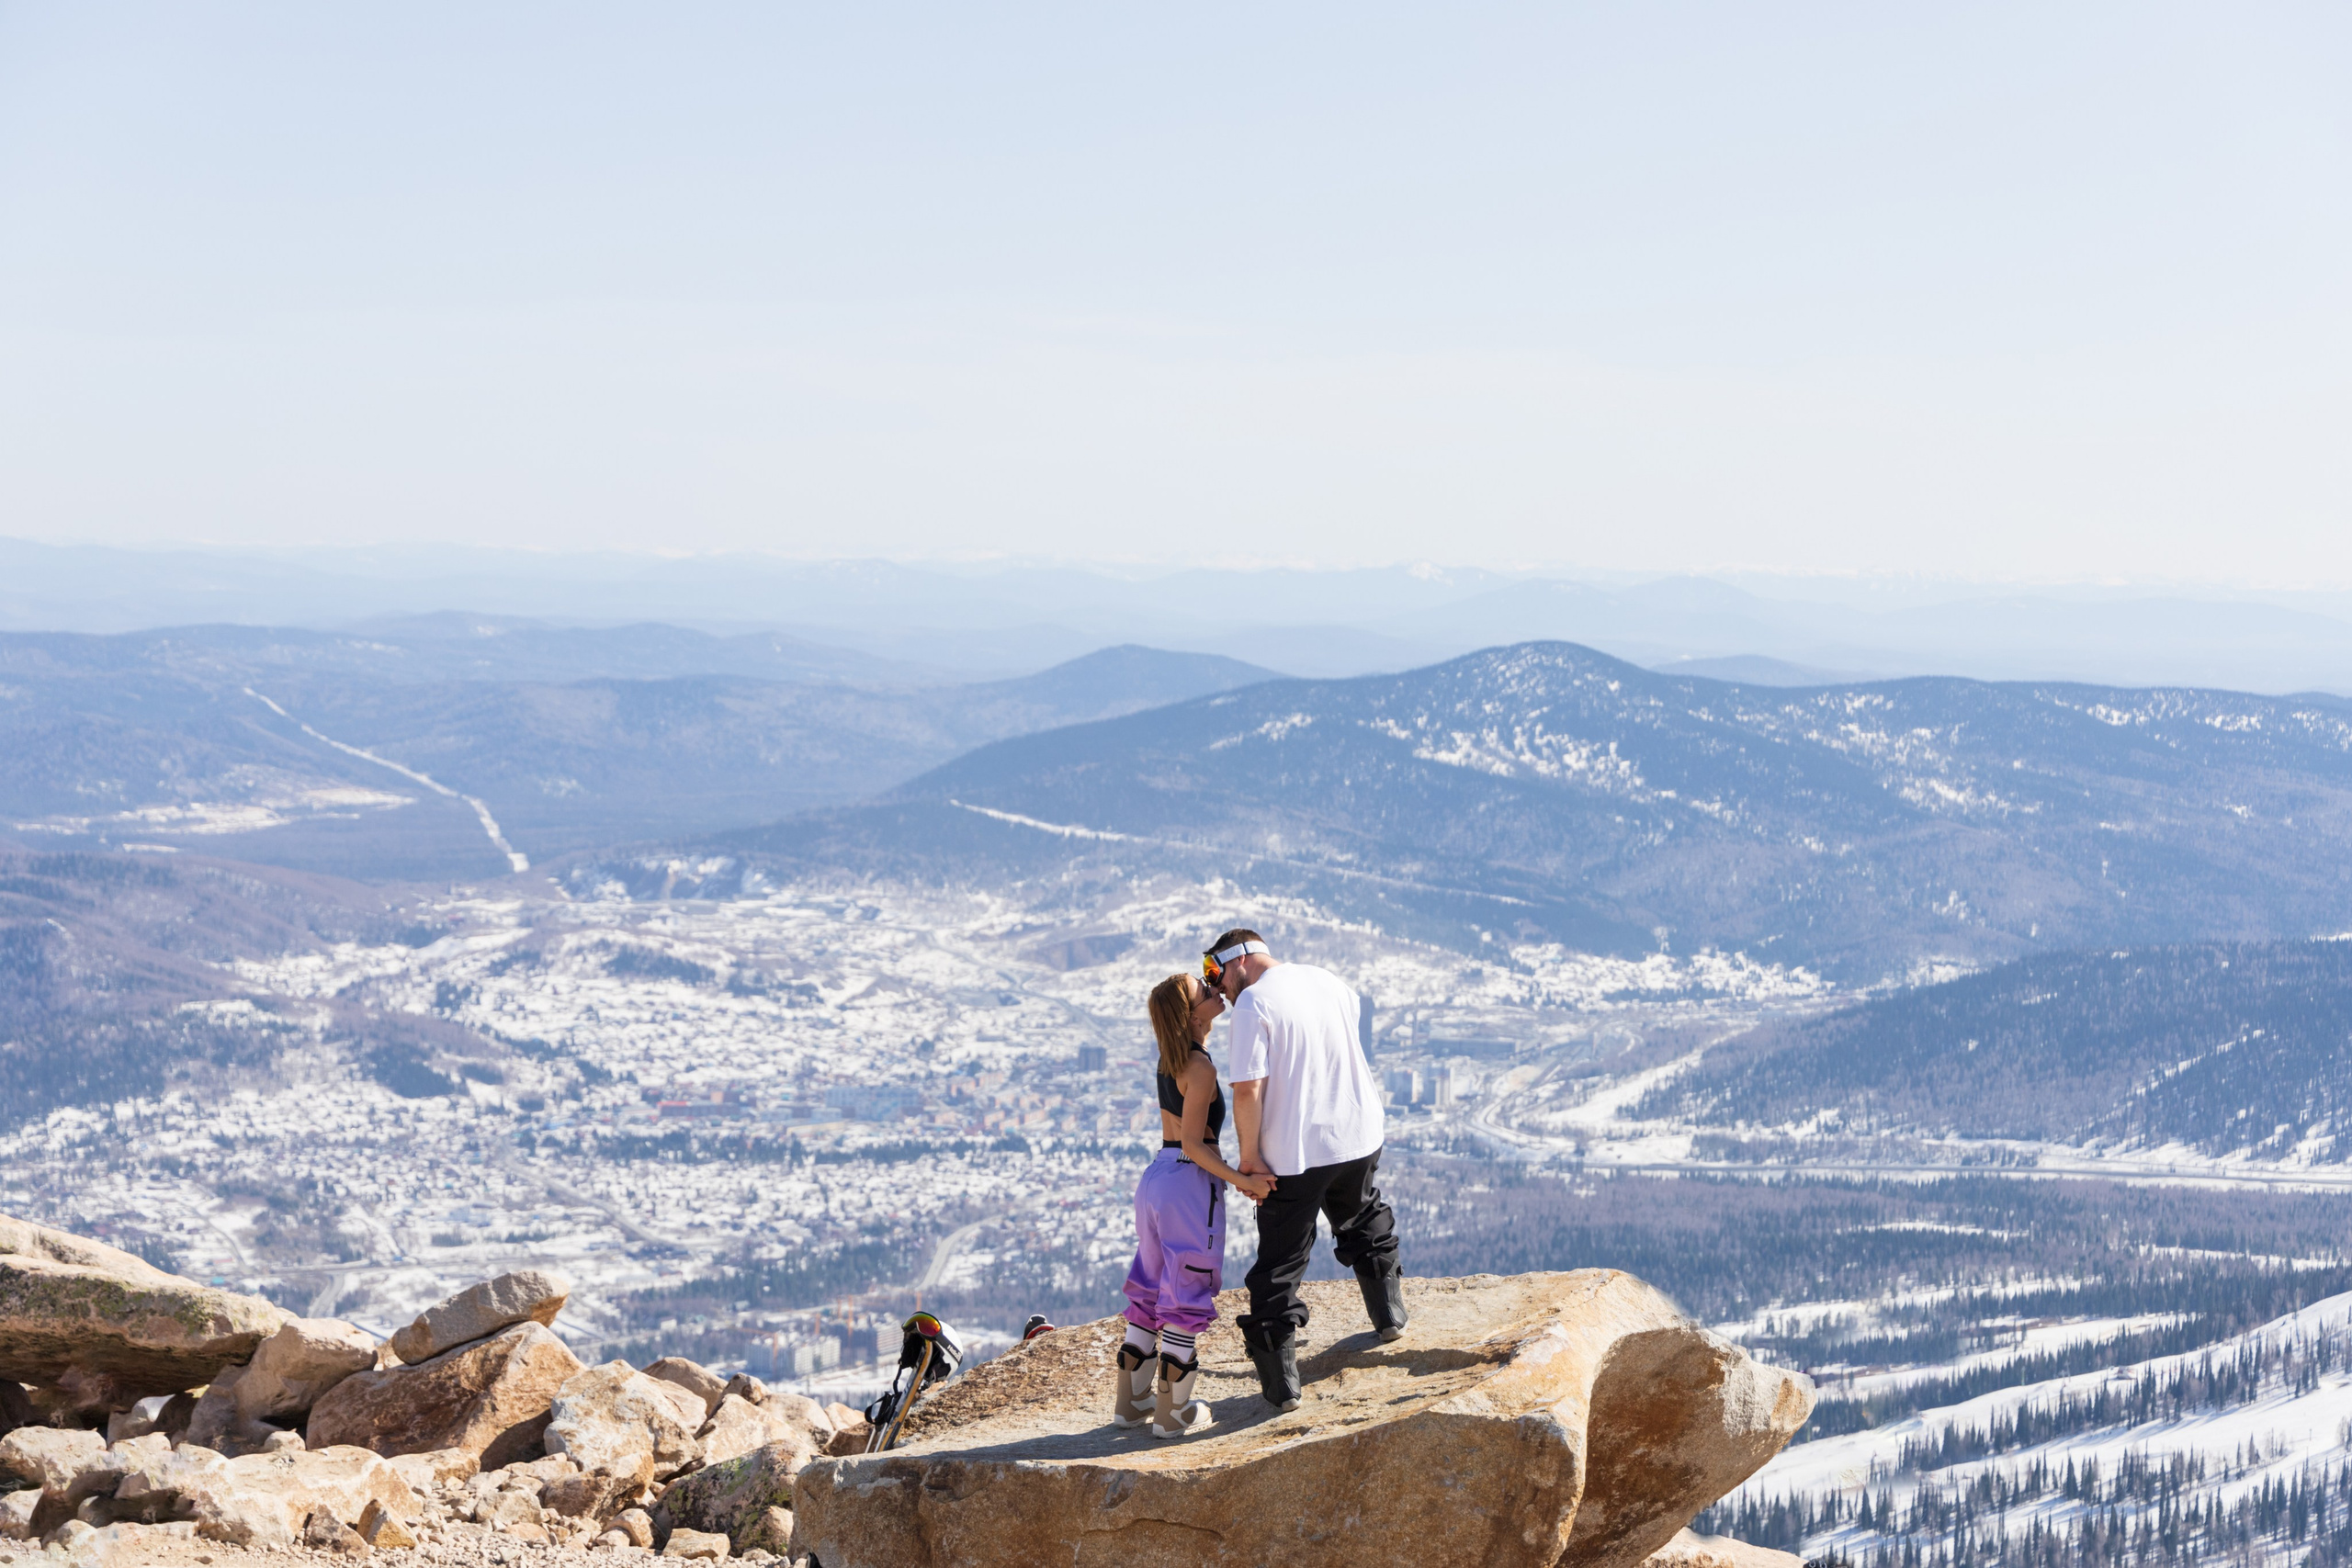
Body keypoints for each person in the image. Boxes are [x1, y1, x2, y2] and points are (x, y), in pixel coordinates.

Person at [1205, 928, 1406, 1412]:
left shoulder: (1253, 1003)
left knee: (1281, 1261)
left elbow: (1247, 1090)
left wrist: (1248, 1159)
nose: (1217, 988)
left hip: (1294, 1152)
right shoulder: (1328, 980)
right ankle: (1390, 1317)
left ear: (1238, 959)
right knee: (1363, 1217)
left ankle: (1283, 1388)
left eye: (1214, 972)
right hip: (1357, 1133)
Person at [1115, 972, 1275, 1438]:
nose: (1214, 990)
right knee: (1187, 1290)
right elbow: (1195, 1143)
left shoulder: (1168, 1060)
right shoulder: (1200, 1067)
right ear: (1190, 1016)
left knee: (1150, 1287)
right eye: (1204, 992)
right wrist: (1244, 1180)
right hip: (1188, 1183)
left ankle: (1132, 1402)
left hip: (1156, 1179)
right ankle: (1175, 1413)